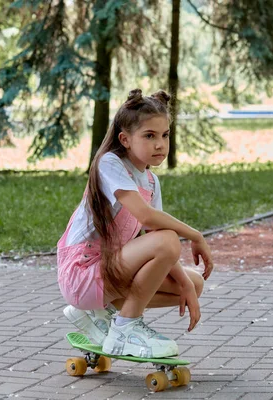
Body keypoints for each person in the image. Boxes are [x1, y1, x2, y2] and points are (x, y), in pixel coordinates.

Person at [57, 89, 213, 359]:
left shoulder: (151, 182)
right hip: (82, 272)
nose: (160, 145)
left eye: (165, 135)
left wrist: (186, 286)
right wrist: (196, 235)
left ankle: (101, 313)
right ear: (125, 139)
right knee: (169, 239)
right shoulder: (110, 164)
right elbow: (148, 218)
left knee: (193, 283)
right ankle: (125, 327)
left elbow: (160, 242)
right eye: (149, 136)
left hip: (110, 270)